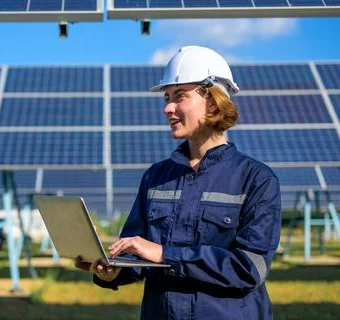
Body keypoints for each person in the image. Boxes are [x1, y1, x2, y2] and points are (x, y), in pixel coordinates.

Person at [75, 45, 282, 319]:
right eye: (166, 97)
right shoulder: (156, 177)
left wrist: (165, 254)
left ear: (213, 100)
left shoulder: (256, 180)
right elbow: (138, 254)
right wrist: (114, 270)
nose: (167, 108)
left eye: (179, 96)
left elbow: (250, 268)